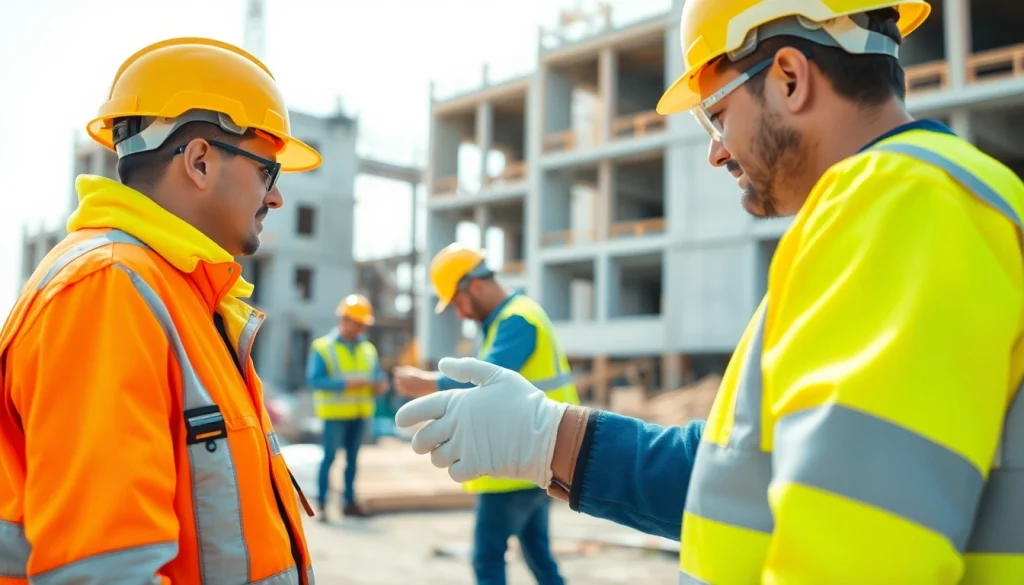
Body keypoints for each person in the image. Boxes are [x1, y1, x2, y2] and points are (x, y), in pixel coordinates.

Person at [395, 1, 1024, 583]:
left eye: (716, 114)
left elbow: (857, 554)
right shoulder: (904, 207)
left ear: (788, 77)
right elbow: (748, 477)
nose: (716, 152)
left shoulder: (901, 206)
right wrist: (547, 437)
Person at [0, 37, 322, 584]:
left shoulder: (178, 297)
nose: (275, 199)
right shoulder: (105, 292)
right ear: (199, 161)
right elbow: (104, 573)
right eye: (268, 171)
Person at [393, 243, 580, 585]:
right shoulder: (509, 320)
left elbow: (485, 379)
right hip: (533, 457)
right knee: (537, 552)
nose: (461, 314)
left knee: (488, 558)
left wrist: (425, 382)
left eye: (459, 303)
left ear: (475, 286)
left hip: (515, 463)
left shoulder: (517, 320)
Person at [306, 293, 389, 519]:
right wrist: (346, 384)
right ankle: (322, 504)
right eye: (359, 323)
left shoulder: (368, 349)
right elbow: (314, 380)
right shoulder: (322, 347)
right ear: (345, 320)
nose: (362, 327)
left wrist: (380, 384)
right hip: (334, 414)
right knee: (329, 458)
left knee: (353, 461)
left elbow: (376, 375)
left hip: (360, 413)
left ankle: (348, 503)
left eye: (363, 324)